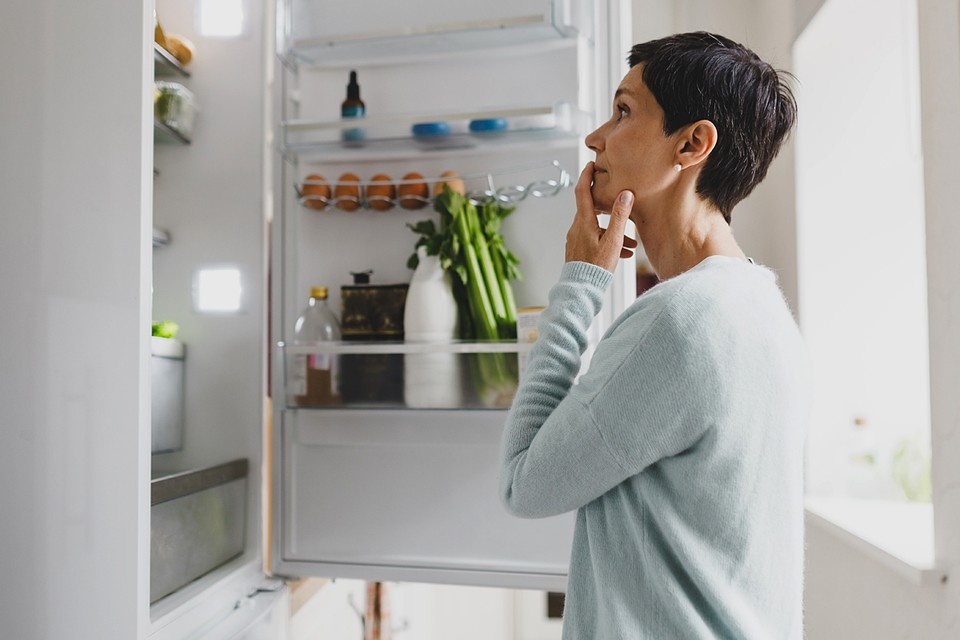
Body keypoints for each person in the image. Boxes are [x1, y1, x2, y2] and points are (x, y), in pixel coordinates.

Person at [499, 32, 808, 639]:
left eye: (622, 112)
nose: (595, 139)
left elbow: (523, 483)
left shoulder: (681, 322)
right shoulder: (759, 303)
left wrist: (579, 283)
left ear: (692, 144)